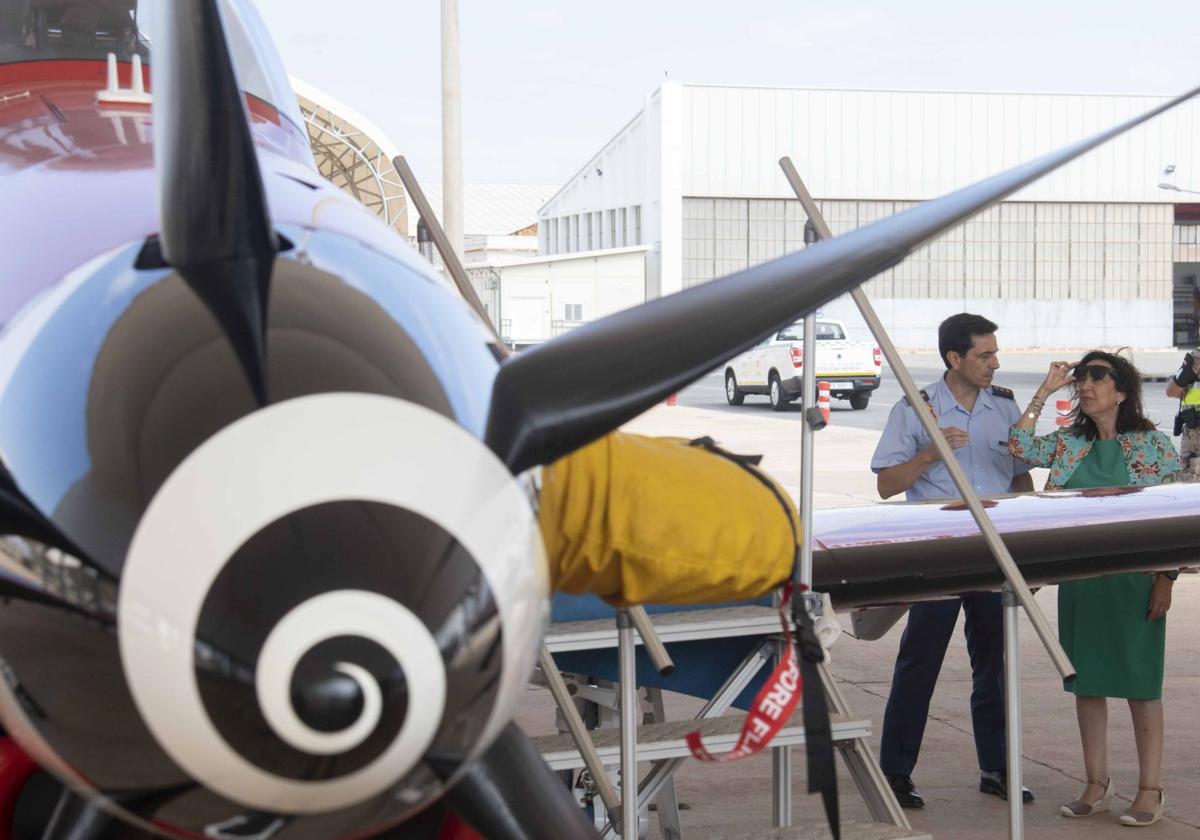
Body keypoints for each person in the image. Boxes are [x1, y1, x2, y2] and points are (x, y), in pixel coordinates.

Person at [871, 313, 1035, 808]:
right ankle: (896, 773)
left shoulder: (1004, 408)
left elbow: (1021, 477)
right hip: (938, 547)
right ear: (954, 359)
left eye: (994, 353)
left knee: (995, 663)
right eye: (984, 355)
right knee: (920, 661)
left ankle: (998, 767)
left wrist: (1025, 545)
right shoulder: (915, 409)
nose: (995, 363)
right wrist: (929, 454)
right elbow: (885, 485)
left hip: (992, 548)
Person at [1009, 351, 1180, 827]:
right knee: (1087, 684)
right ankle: (1096, 784)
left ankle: (1150, 790)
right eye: (1081, 377)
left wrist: (1167, 578)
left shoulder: (1152, 446)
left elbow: (1172, 519)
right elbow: (1020, 446)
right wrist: (1044, 392)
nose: (1085, 384)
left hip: (1135, 582)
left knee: (1141, 686)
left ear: (1122, 390)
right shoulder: (1070, 443)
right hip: (1082, 584)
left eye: (1097, 376)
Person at [1165, 349, 1200, 480]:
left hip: (1196, 434)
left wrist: (1185, 390)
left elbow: (1171, 390)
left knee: (1191, 486)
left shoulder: (1197, 357)